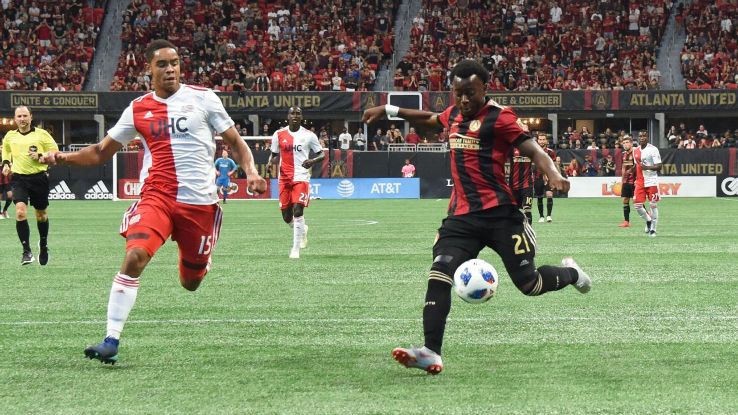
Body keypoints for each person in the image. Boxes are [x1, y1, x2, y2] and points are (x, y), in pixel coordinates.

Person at [40, 39, 267, 364]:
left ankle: (201, 261)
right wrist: (61, 157)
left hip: (199, 205)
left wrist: (252, 172)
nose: (170, 69)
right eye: (162, 64)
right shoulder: (138, 109)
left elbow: (237, 143)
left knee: (190, 283)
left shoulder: (204, 99)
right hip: (156, 198)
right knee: (134, 256)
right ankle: (111, 340)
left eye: (174, 62)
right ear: (149, 69)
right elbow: (101, 152)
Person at [362, 59, 591, 375]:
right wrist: (389, 110)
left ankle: (573, 274)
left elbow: (534, 150)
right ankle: (431, 351)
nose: (464, 100)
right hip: (461, 218)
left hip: (501, 216)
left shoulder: (500, 118)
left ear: (485, 88)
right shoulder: (455, 113)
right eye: (458, 93)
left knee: (530, 283)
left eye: (470, 93)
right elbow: (431, 119)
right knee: (439, 273)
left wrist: (553, 173)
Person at [1, 105, 59, 265]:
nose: (22, 119)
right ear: (15, 118)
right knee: (20, 212)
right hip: (19, 178)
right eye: (19, 116)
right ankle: (26, 252)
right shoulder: (10, 136)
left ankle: (43, 244)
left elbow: (55, 152)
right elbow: (6, 150)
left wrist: (41, 155)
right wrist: (6, 163)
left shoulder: (42, 134)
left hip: (39, 177)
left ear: (31, 117)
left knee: (41, 215)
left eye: (25, 116)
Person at [267, 106, 325, 259]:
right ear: (288, 116)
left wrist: (312, 161)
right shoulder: (278, 134)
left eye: (298, 113)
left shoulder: (309, 135)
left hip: (301, 177)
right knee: (287, 217)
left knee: (298, 211)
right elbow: (274, 154)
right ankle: (302, 229)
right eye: (292, 113)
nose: (295, 116)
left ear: (301, 117)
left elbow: (321, 154)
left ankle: (295, 249)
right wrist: (269, 163)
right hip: (284, 178)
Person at [633, 130, 662, 237]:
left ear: (648, 137)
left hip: (651, 181)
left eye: (644, 136)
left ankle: (653, 230)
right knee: (637, 205)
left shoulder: (653, 150)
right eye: (640, 136)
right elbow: (636, 166)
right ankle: (648, 220)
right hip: (640, 181)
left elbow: (659, 166)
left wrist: (647, 168)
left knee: (653, 205)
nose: (642, 138)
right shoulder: (635, 150)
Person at [533, 133, 556, 222]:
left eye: (543, 139)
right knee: (539, 197)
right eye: (540, 139)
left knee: (549, 194)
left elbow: (553, 166)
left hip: (549, 177)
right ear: (537, 140)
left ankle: (549, 216)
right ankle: (541, 216)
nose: (542, 141)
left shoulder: (551, 152)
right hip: (538, 177)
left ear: (546, 140)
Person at [508, 146, 534, 223]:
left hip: (527, 185)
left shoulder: (530, 149)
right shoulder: (510, 149)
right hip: (513, 186)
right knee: (513, 211)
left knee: (527, 209)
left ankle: (528, 231)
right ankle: (514, 232)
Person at [618, 135, 636, 227]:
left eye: (627, 142)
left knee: (637, 201)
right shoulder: (624, 154)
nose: (625, 144)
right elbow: (624, 168)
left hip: (635, 181)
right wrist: (622, 180)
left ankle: (647, 215)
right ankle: (626, 221)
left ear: (631, 143)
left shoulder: (636, 153)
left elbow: (638, 166)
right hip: (626, 181)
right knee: (625, 200)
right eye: (623, 143)